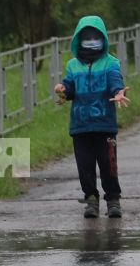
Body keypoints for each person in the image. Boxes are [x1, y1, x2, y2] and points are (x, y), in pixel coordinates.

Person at [53, 14, 129, 219]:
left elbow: (115, 81)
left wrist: (119, 92)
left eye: (96, 37)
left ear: (103, 38)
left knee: (108, 165)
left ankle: (113, 199)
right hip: (81, 127)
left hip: (105, 125)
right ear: (79, 40)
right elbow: (70, 87)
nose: (91, 41)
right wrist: (63, 90)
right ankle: (91, 199)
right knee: (84, 166)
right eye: (86, 37)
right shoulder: (73, 65)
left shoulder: (110, 63)